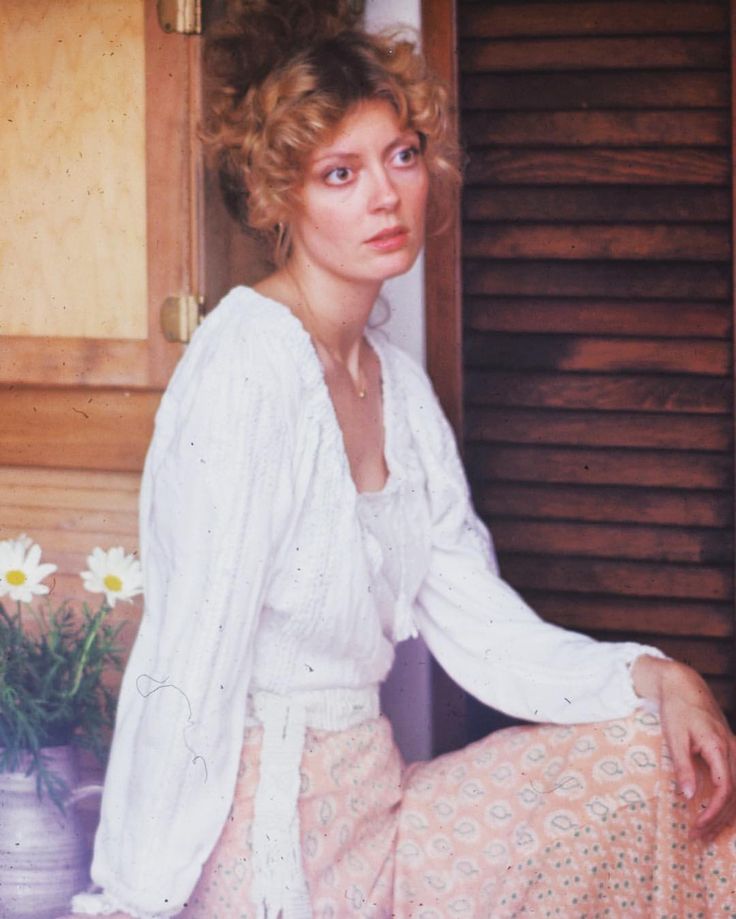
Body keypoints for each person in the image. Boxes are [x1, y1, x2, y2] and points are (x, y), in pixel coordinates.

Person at [63, 2, 736, 917]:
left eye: (403, 156)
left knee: (653, 749)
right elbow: (188, 660)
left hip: (379, 817)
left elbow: (481, 628)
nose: (386, 196)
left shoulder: (401, 389)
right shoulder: (248, 363)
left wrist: (659, 675)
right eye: (340, 172)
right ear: (277, 199)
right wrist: (131, 900)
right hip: (262, 852)